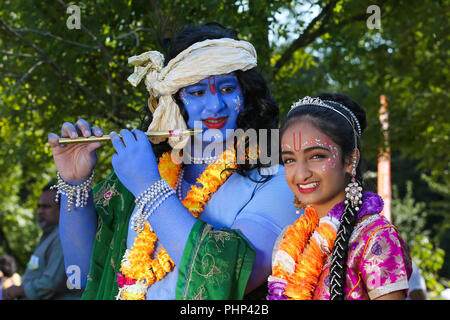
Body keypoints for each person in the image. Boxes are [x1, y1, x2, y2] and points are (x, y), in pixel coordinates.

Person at [47, 23, 298, 300]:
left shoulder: (276, 181)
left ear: (247, 97)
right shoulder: (144, 170)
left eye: (227, 89)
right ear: (174, 102)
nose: (215, 106)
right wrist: (76, 181)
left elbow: (230, 278)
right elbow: (82, 272)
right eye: (198, 92)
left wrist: (148, 187)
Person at [267, 93, 412, 300]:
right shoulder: (288, 242)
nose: (300, 174)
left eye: (316, 156)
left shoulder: (375, 237)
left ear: (350, 159)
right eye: (289, 160)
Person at [1, 184, 83, 300]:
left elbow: (51, 283)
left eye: (46, 207)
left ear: (63, 208)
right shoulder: (48, 236)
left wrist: (18, 290)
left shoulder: (63, 236)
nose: (40, 211)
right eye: (39, 207)